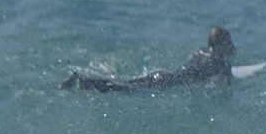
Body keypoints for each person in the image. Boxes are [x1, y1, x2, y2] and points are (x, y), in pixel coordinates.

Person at [62, 26, 237, 92]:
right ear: (221, 45)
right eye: (228, 42)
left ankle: (84, 82)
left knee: (125, 84)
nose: (231, 45)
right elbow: (225, 89)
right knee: (123, 88)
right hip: (168, 83)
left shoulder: (201, 51)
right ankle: (84, 83)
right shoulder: (221, 64)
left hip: (162, 75)